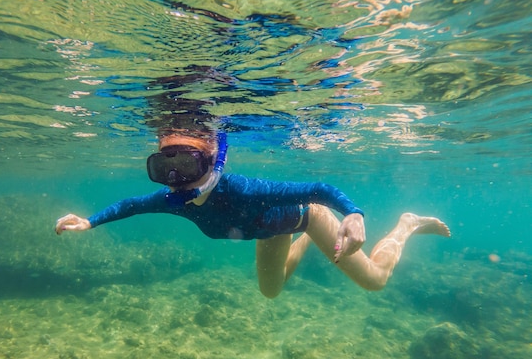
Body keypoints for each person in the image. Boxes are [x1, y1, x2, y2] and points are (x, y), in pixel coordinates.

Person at [56, 131, 450, 298]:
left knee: (374, 281)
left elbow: (320, 190)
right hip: (268, 229)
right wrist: (90, 221)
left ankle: (407, 223)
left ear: (215, 161)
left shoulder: (244, 189)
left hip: (304, 217)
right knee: (271, 292)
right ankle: (312, 244)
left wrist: (353, 213)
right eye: (164, 168)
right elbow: (131, 205)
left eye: (188, 167)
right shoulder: (173, 198)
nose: (175, 181)